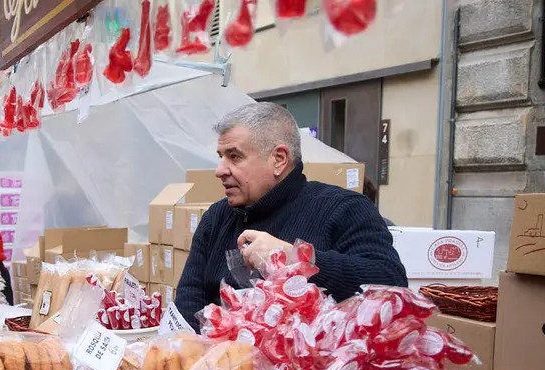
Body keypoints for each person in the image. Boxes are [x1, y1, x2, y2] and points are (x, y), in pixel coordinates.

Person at [174, 102, 408, 331]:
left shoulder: (344, 209)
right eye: (221, 156)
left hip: (312, 366)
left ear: (279, 159)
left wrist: (298, 260)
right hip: (225, 365)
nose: (220, 170)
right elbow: (189, 302)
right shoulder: (216, 218)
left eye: (234, 157)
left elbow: (391, 285)